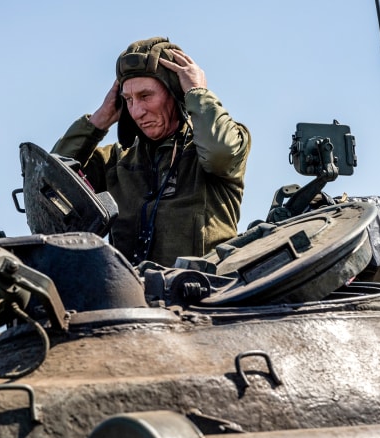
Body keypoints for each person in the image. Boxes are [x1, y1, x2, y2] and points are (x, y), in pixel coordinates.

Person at [51, 37, 251, 267]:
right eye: (128, 100)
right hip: (131, 297)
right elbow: (52, 186)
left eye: (146, 96)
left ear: (176, 93)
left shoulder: (220, 144)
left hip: (208, 296)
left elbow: (220, 153)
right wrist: (97, 122)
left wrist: (197, 93)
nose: (137, 112)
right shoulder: (116, 161)